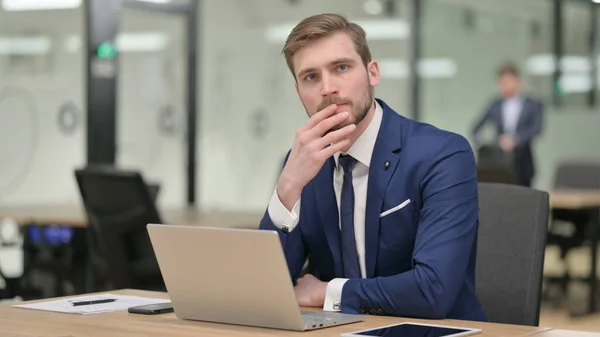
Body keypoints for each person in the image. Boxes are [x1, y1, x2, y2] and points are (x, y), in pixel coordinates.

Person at [259, 13, 487, 322]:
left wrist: (330, 293)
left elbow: (433, 291)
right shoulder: (301, 163)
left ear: (372, 73)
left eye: (341, 68)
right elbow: (267, 290)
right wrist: (287, 189)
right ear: (299, 91)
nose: (327, 88)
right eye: (311, 77)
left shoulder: (442, 154)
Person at [471, 63, 544, 187]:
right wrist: (489, 143)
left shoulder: (533, 104)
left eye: (508, 81)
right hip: (498, 164)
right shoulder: (494, 104)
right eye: (502, 82)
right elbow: (476, 128)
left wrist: (516, 140)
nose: (505, 85)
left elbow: (536, 128)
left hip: (523, 160)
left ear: (518, 81)